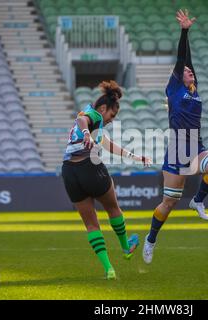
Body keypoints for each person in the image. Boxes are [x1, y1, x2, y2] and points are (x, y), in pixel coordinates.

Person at [142, 10, 208, 264]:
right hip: (177, 151)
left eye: (190, 71)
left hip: (196, 146)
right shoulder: (174, 87)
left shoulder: (193, 88)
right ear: (177, 77)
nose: (188, 71)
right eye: (185, 71)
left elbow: (188, 62)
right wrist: (184, 31)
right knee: (168, 204)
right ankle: (151, 239)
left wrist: (189, 35)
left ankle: (198, 201)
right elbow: (181, 58)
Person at [62, 80, 152, 279]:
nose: (112, 119)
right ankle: (126, 247)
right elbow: (82, 120)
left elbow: (109, 145)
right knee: (113, 208)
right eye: (112, 114)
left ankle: (108, 269)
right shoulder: (91, 115)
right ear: (103, 108)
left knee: (91, 225)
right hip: (89, 166)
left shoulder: (96, 124)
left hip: (68, 172)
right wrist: (86, 133)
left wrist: (136, 157)